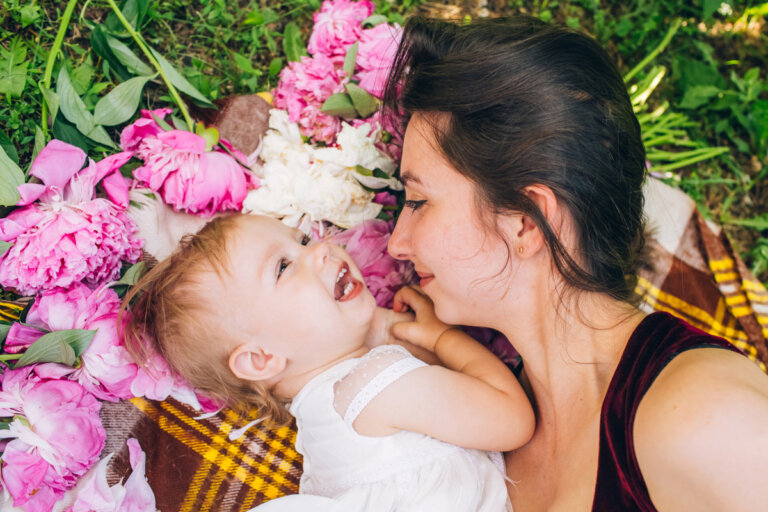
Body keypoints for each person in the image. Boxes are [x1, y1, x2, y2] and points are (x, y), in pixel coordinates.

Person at [382, 15, 768, 511]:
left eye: (417, 202)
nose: (397, 243)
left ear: (527, 222)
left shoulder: (703, 415)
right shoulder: (483, 416)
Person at [121, 213, 533, 511]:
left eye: (301, 240)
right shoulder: (374, 385)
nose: (319, 249)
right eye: (283, 267)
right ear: (262, 358)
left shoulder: (326, 421)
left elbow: (433, 392)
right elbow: (512, 419)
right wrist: (441, 337)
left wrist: (382, 328)